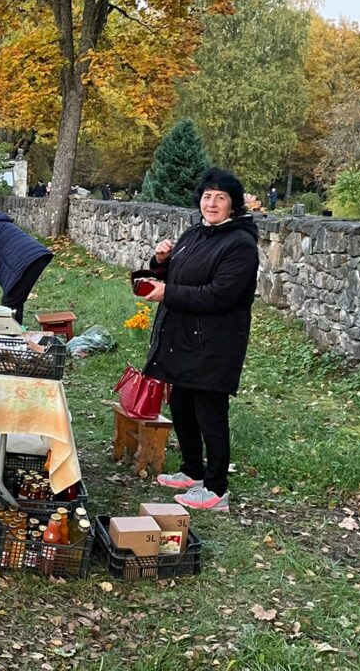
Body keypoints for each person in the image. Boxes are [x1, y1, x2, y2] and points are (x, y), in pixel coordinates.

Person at [140, 167, 259, 513]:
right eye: (207, 196)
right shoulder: (195, 232)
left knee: (210, 414)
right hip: (184, 337)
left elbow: (219, 295)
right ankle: (192, 470)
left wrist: (167, 293)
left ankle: (216, 488)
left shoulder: (240, 244)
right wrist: (161, 261)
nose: (212, 203)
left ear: (233, 204)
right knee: (181, 406)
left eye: (221, 198)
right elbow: (178, 275)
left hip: (215, 344)